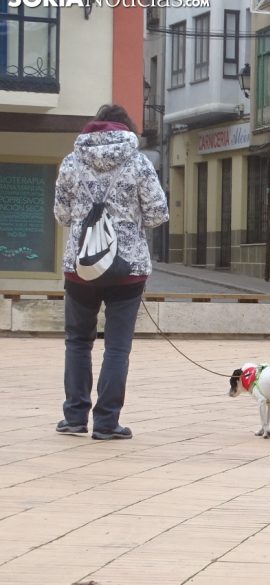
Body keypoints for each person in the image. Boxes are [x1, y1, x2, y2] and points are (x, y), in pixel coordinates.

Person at [53, 104, 168, 441]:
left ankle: (74, 418)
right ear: (125, 128)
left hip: (81, 267)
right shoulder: (139, 162)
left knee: (77, 342)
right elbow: (158, 213)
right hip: (127, 268)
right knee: (117, 347)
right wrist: (129, 222)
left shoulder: (71, 162)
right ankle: (106, 423)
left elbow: (61, 215)